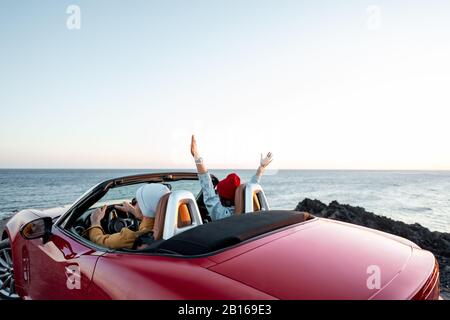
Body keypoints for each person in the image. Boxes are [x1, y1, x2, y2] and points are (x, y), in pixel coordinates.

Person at [190, 135, 273, 221]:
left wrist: (196, 155)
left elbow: (207, 187)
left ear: (226, 201)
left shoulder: (221, 214)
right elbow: (251, 186)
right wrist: (261, 168)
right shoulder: (248, 210)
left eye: (219, 194)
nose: (217, 195)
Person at [87, 183, 170, 249]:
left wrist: (95, 222)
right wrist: (136, 212)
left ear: (143, 207)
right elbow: (154, 219)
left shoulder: (129, 238)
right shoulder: (170, 226)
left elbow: (98, 241)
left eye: (135, 201)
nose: (134, 203)